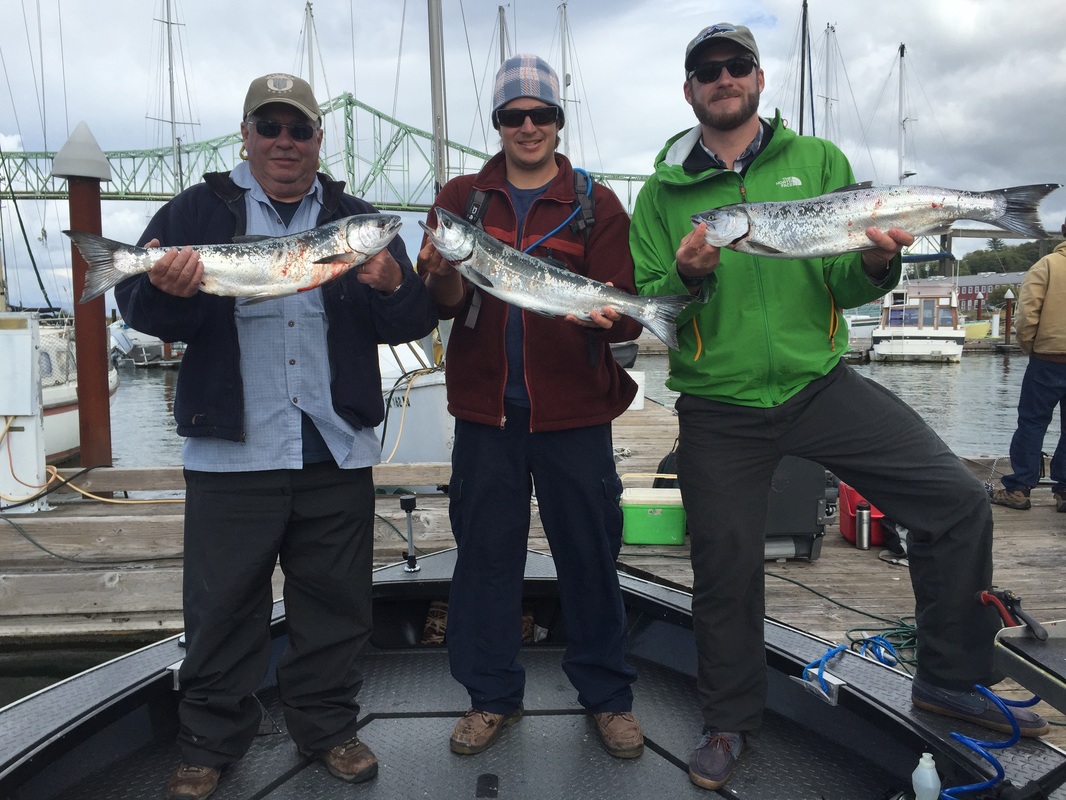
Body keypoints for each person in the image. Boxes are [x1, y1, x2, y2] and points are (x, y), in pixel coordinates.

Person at [628, 23, 1049, 792]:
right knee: (725, 568)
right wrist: (691, 276)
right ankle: (728, 720)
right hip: (718, 405)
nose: (723, 78)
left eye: (736, 66)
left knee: (956, 502)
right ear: (689, 91)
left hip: (819, 384)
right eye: (707, 70)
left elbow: (848, 286)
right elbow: (659, 304)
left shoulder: (818, 162)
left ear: (757, 80)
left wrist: (880, 259)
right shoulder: (661, 196)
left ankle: (948, 677)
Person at [116, 73, 437, 800]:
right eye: (270, 128)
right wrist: (163, 289)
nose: (284, 143)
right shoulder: (199, 209)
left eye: (299, 130)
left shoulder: (358, 220)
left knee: (336, 603)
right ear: (246, 135)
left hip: (333, 443)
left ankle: (326, 728)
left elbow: (414, 322)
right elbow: (134, 304)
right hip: (233, 447)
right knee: (223, 604)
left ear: (320, 140)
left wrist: (390, 282)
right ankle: (207, 741)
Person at [417, 54, 645, 760]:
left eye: (540, 115)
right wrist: (442, 274)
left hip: (575, 413)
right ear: (498, 122)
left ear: (557, 121)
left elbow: (628, 314)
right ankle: (491, 699)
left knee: (591, 557)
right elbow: (447, 306)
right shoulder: (462, 198)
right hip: (486, 414)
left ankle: (607, 697)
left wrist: (607, 317)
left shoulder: (594, 203)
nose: (527, 127)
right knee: (485, 560)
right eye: (513, 115)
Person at [990, 218, 1066, 512]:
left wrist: (1030, 346)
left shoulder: (1046, 266)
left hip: (1047, 358)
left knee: (1032, 423)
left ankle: (1019, 488)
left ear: (1062, 231)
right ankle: (1064, 490)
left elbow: (1026, 316)